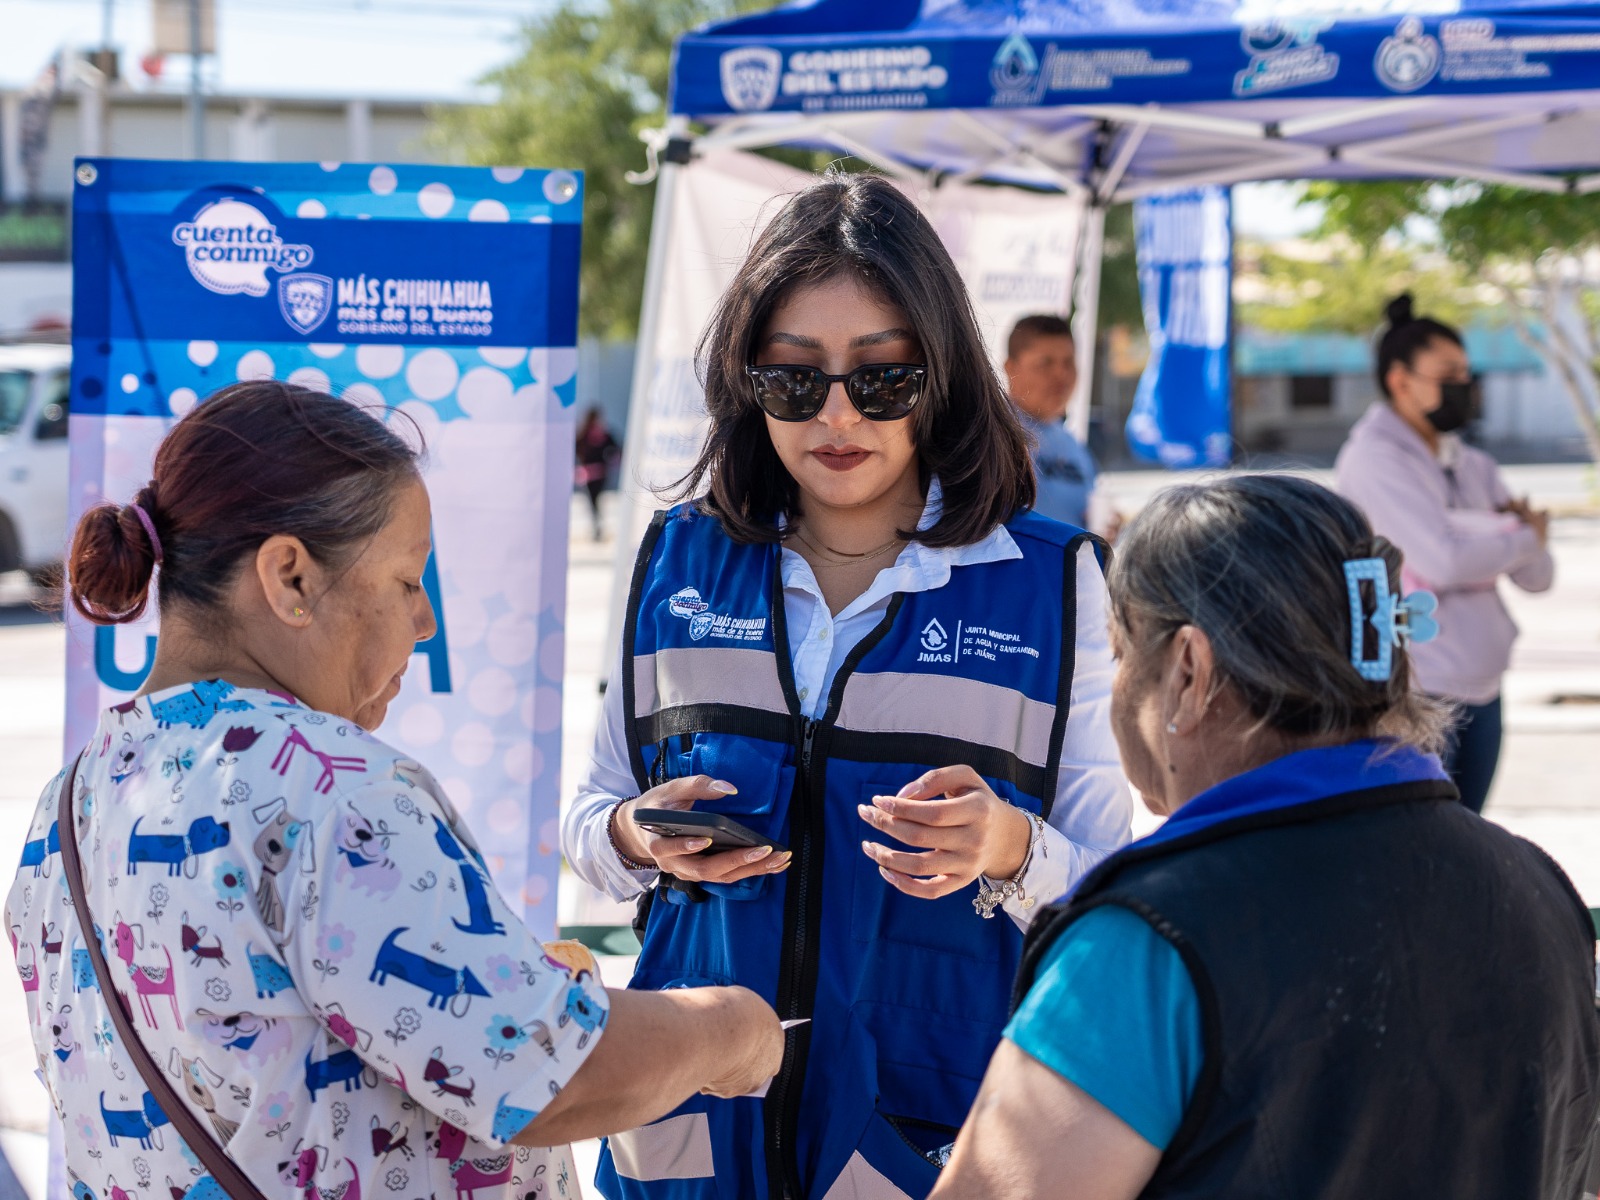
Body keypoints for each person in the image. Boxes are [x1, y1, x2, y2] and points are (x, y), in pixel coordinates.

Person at [7, 382, 782, 1200]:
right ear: (291, 578)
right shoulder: (326, 790)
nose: (426, 623)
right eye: (409, 581)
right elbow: (551, 1075)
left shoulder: (64, 809)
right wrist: (731, 1031)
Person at [561, 175, 1131, 1199]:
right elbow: (591, 819)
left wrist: (1007, 847)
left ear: (943, 377)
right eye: (793, 379)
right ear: (748, 383)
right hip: (692, 1124)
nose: (835, 415)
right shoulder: (680, 559)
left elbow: (1109, 895)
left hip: (928, 1129)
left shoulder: (1046, 581)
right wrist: (631, 837)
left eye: (880, 379)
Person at [930, 475, 1600, 1200]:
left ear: (1187, 670)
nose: (1119, 690)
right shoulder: (1537, 889)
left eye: (1122, 656)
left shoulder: (1146, 942)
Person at [1336, 293, 1554, 813]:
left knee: (1466, 829)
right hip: (1417, 689)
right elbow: (1443, 562)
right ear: (1400, 380)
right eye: (1448, 373)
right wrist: (1518, 537)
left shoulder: (1473, 463)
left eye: (1466, 372)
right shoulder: (1375, 459)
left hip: (1484, 685)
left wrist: (1490, 543)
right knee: (1416, 842)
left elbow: (1539, 576)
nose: (1465, 385)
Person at [1003, 314, 1101, 532]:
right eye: (1045, 363)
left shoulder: (1073, 444)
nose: (1061, 375)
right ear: (1011, 368)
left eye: (1068, 362)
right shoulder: (992, 435)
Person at [576, 406, 621, 541]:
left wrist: (612, 461)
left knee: (596, 500)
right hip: (589, 473)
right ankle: (596, 526)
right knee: (592, 501)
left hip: (600, 473)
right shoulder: (584, 434)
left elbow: (615, 448)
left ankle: (598, 527)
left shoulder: (603, 434)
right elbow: (577, 448)